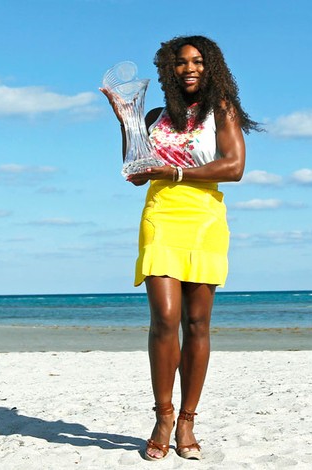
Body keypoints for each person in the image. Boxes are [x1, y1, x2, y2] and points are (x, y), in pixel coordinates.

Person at [101, 35, 259, 461]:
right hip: (161, 216)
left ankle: (188, 419)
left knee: (197, 323)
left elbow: (235, 166)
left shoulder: (220, 110)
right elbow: (136, 171)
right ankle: (164, 415)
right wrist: (127, 120)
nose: (189, 68)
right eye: (180, 62)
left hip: (204, 218)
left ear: (211, 68)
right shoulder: (156, 114)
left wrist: (173, 170)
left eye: (198, 61)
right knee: (165, 319)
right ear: (168, 69)